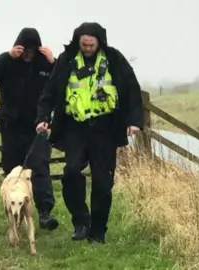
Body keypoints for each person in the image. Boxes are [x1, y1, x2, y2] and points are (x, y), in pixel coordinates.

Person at [35, 22, 144, 243]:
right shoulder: (67, 60)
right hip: (75, 127)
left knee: (103, 183)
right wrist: (43, 118)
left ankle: (98, 231)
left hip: (105, 128)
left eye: (90, 44)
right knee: (72, 172)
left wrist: (134, 120)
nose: (86, 48)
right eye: (83, 44)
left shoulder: (114, 59)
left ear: (99, 42)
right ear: (78, 41)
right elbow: (50, 90)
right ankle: (80, 221)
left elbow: (132, 88)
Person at [0, 27, 59, 231]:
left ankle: (45, 213)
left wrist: (54, 62)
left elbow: (63, 81)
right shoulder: (7, 62)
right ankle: (14, 215)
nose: (29, 54)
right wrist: (7, 55)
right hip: (11, 127)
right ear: (20, 47)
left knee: (40, 169)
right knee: (12, 171)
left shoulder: (45, 65)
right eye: (26, 50)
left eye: (33, 50)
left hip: (37, 126)